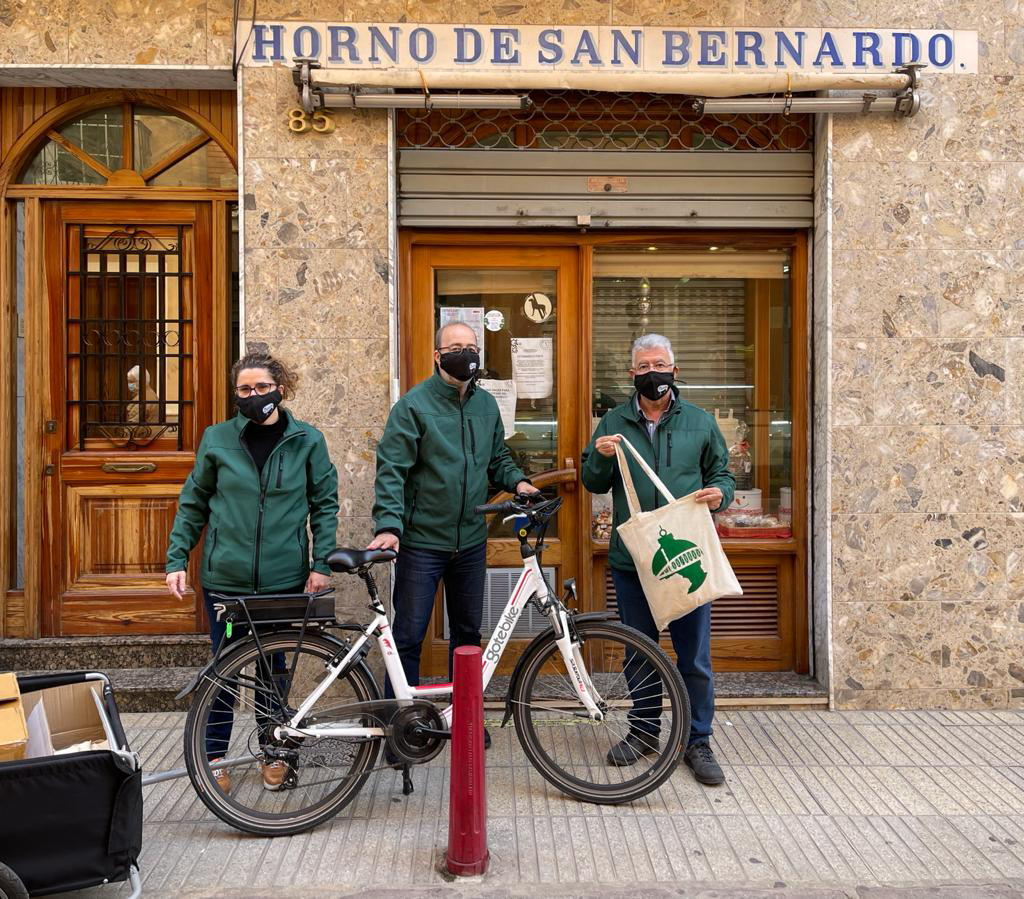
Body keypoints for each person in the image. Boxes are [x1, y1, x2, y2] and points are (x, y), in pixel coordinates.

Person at [165, 350, 339, 793]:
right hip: (226, 581)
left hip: (282, 579)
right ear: (236, 394)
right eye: (244, 389)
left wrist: (321, 564)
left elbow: (324, 504)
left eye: (262, 386)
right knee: (223, 668)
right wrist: (176, 558)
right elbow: (193, 502)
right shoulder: (217, 438)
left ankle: (272, 750)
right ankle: (215, 756)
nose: (254, 395)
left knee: (273, 668)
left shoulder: (307, 440)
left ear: (280, 388)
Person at [581, 333, 735, 786]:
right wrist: (600, 458)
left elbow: (722, 474)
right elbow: (592, 481)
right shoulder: (613, 421)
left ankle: (697, 740)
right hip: (633, 561)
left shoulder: (700, 422)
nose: (653, 373)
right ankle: (645, 730)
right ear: (632, 374)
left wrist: (721, 494)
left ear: (675, 370)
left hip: (686, 557)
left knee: (694, 656)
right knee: (639, 651)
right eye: (644, 366)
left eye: (660, 364)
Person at [367, 322, 538, 716]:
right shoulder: (413, 406)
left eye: (471, 346)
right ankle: (403, 722)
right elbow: (391, 471)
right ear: (437, 356)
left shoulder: (486, 405)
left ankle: (464, 720)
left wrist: (519, 482)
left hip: (471, 542)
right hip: (422, 543)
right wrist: (389, 526)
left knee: (467, 637)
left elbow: (497, 458)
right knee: (409, 636)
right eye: (456, 347)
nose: (466, 354)